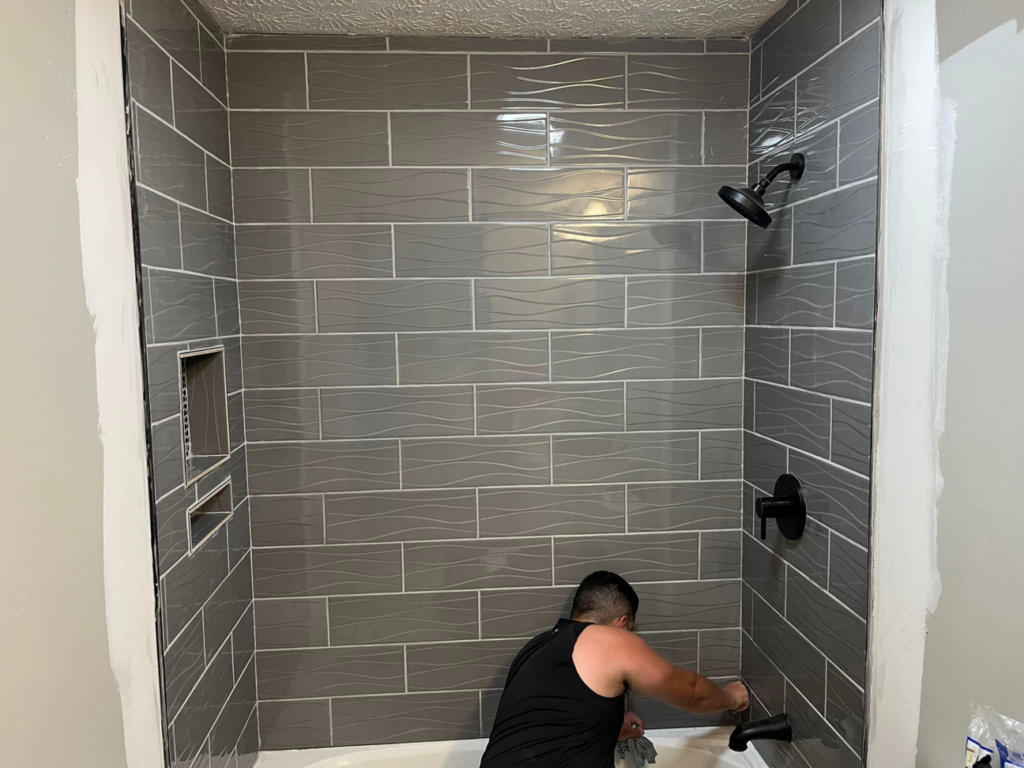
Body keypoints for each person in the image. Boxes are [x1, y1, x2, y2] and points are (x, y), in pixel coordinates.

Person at [479, 570, 750, 767]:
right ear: (622, 623)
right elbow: (692, 693)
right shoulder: (610, 640)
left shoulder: (535, 647)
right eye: (631, 629)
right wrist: (732, 697)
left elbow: (542, 726)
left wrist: (607, 726)